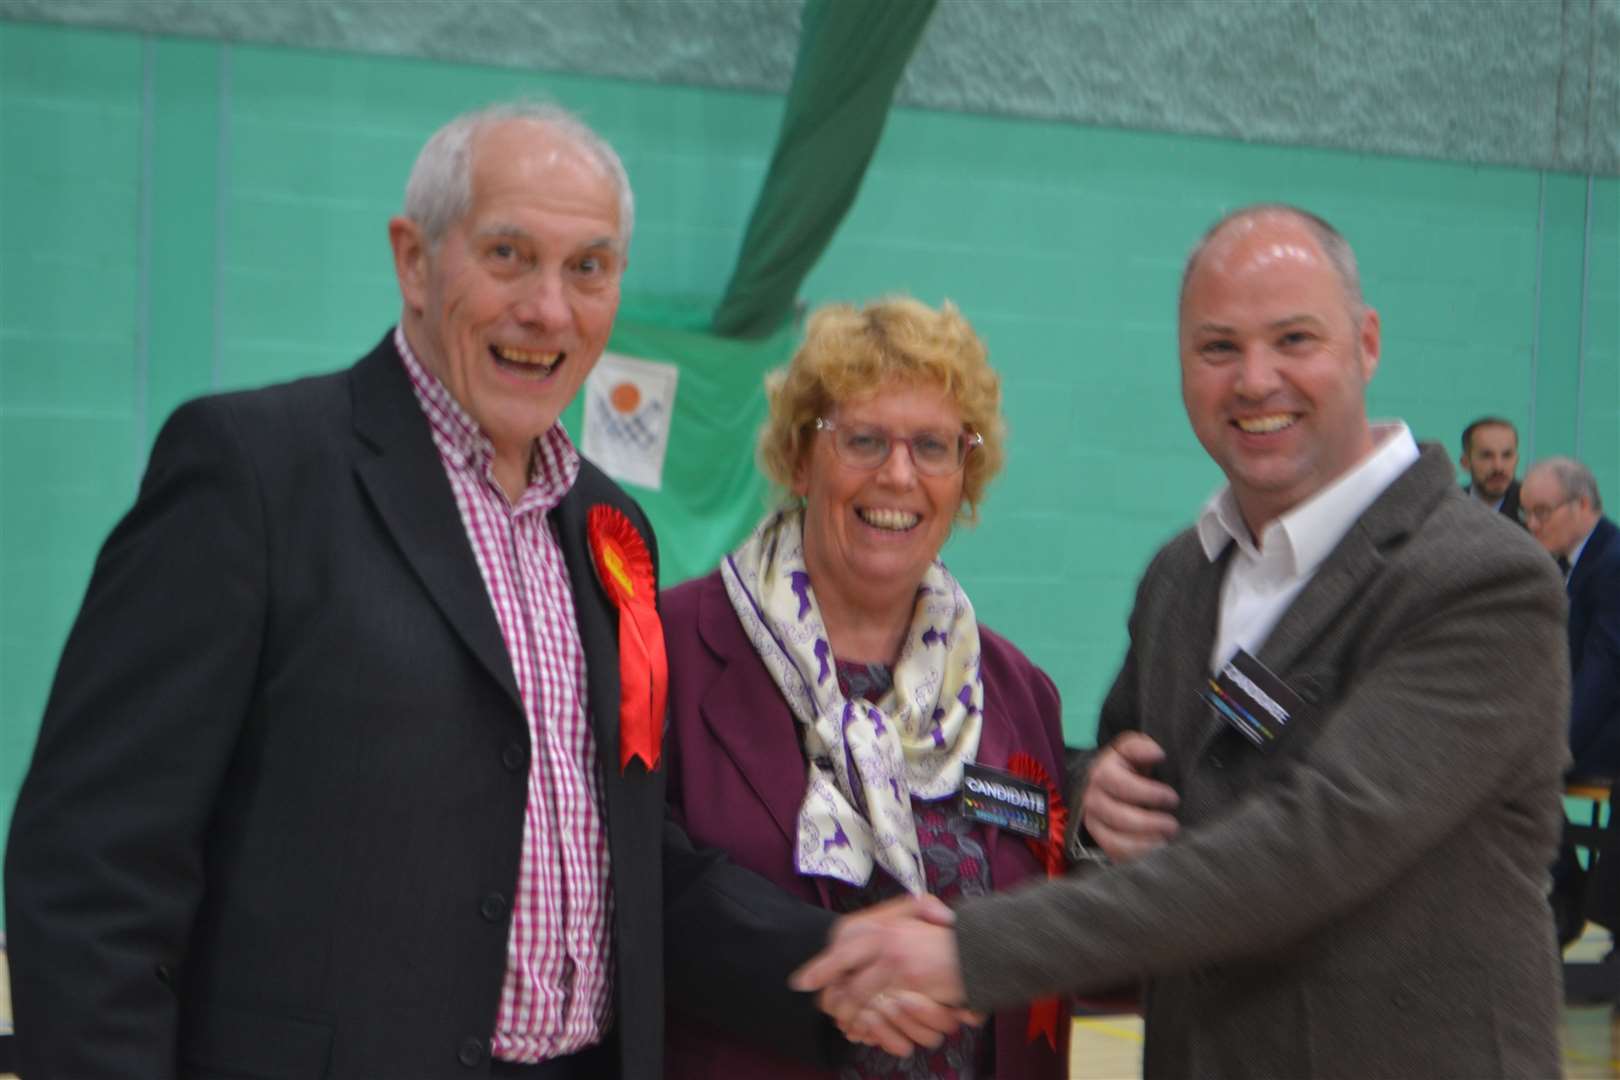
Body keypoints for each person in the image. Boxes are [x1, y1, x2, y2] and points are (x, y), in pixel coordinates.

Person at [4, 102, 827, 1080]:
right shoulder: (256, 474)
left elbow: (632, 852)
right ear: (414, 261)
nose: (549, 309)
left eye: (589, 268)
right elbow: (93, 866)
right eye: (509, 255)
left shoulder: (609, 529)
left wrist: (838, 962)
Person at [794, 205, 1570, 1079]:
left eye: (1294, 339)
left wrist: (967, 953)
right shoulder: (1182, 578)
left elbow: (1311, 846)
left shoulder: (1477, 580)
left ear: (1368, 343)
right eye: (1218, 348)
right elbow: (1127, 803)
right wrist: (1094, 797)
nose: (1255, 379)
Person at [660, 297, 1069, 1078]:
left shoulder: (1018, 695)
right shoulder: (671, 648)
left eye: (933, 446)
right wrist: (841, 966)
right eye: (865, 440)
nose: (899, 474)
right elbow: (643, 894)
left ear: (965, 474)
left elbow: (1053, 915)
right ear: (802, 456)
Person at [1522, 458, 1620, 945]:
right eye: (1527, 515)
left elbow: (1603, 672)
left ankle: (1570, 891)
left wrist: (1555, 744)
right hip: (1592, 720)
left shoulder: (1611, 562)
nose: (1533, 526)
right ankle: (1572, 886)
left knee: (1511, 769)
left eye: (1543, 512)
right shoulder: (1575, 562)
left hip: (1608, 730)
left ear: (1582, 505)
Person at [1460, 415, 1523, 522]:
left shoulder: (1530, 511)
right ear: (1465, 463)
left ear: (1516, 460)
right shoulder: (1446, 509)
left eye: (1507, 455)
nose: (1498, 467)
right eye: (1487, 456)